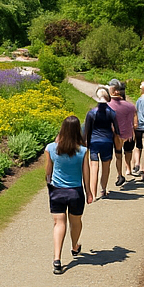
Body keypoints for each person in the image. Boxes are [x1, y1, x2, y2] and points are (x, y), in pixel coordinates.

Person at [45, 115, 92, 274]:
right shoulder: (83, 151)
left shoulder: (51, 148)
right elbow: (86, 174)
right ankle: (74, 246)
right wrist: (89, 192)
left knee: (59, 223)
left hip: (57, 191)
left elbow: (48, 172)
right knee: (76, 221)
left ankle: (57, 259)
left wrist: (49, 186)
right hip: (76, 192)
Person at [84, 86, 119, 199]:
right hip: (107, 142)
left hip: (94, 142)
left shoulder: (91, 113)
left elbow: (87, 131)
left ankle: (93, 193)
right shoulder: (112, 113)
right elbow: (117, 131)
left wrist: (87, 145)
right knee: (106, 166)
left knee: (94, 166)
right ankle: (103, 189)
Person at [108, 78, 137, 186]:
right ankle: (128, 168)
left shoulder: (108, 105)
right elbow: (134, 122)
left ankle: (120, 174)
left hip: (115, 134)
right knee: (128, 151)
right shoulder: (130, 106)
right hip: (128, 134)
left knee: (118, 155)